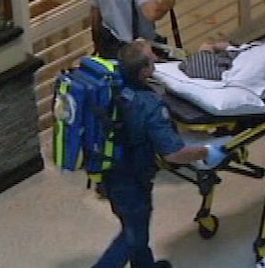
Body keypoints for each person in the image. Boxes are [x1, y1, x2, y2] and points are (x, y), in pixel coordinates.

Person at [93, 40, 228, 268]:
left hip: (106, 169)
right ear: (143, 70)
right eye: (151, 57)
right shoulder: (148, 105)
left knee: (134, 225)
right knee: (132, 236)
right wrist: (207, 151)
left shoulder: (111, 83)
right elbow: (174, 154)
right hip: (131, 178)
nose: (156, 57)